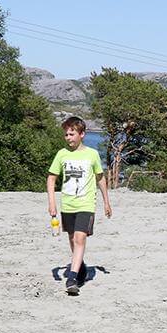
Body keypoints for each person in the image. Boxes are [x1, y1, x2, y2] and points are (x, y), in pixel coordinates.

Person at [47, 116, 112, 296]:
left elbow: (100, 178)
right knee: (72, 238)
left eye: (72, 134)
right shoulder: (62, 154)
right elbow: (52, 178)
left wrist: (106, 201)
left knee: (80, 238)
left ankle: (72, 277)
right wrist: (51, 203)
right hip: (67, 204)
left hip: (86, 204)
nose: (68, 137)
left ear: (82, 134)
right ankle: (80, 266)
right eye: (66, 134)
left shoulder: (92, 154)